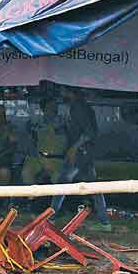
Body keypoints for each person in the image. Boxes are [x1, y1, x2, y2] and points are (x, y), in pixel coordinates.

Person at [49, 87, 111, 231]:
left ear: (70, 92)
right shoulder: (79, 106)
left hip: (79, 152)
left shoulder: (78, 107)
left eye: (63, 91)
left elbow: (89, 132)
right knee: (93, 187)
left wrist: (74, 148)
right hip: (84, 152)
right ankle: (104, 221)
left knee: (62, 184)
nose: (61, 94)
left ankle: (51, 216)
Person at [21, 97, 67, 185]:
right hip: (39, 158)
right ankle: (32, 197)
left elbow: (65, 139)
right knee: (26, 172)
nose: (54, 109)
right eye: (50, 107)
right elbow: (32, 142)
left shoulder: (62, 122)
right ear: (44, 109)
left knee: (57, 178)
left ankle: (55, 198)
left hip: (57, 159)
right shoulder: (37, 123)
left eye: (55, 106)